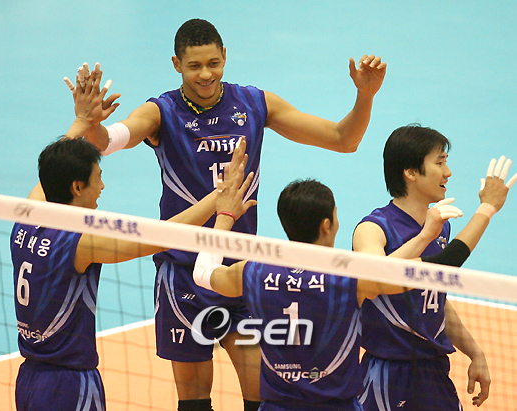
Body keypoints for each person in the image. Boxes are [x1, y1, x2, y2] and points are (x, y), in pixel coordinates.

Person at [64, 18, 388, 411]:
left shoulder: (255, 103)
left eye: (213, 63)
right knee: (194, 400)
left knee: (259, 395)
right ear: (176, 64)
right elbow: (108, 141)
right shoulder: (161, 111)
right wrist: (91, 123)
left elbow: (343, 139)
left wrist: (365, 95)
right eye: (194, 66)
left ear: (224, 58)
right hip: (183, 274)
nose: (205, 74)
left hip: (241, 276)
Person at [11, 70, 255, 411]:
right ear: (77, 187)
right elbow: (162, 237)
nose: (102, 187)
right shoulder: (80, 243)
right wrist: (220, 199)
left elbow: (52, 171)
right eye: (97, 178)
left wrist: (82, 122)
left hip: (28, 380)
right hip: (70, 384)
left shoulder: (24, 219)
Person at [190, 174, 512, 411]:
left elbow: (202, 272)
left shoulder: (252, 272)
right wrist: (476, 212)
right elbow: (431, 266)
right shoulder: (348, 280)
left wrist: (225, 216)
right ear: (327, 224)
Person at [352, 125, 517, 410]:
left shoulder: (442, 227)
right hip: (388, 376)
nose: (448, 172)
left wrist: (475, 352)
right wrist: (486, 208)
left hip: (434, 371)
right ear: (411, 172)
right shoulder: (373, 229)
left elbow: (435, 299)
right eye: (439, 163)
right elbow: (375, 278)